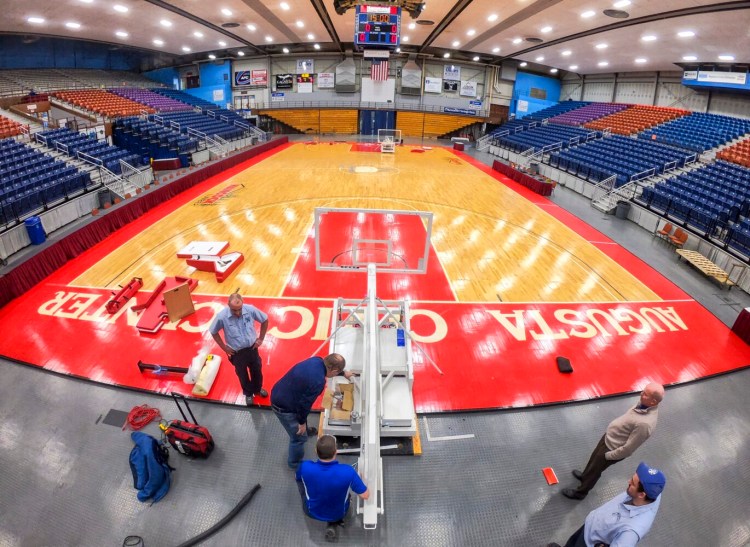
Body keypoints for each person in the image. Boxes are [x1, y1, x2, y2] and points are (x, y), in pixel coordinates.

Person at [563, 382, 664, 500]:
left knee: (596, 470)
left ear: (653, 402)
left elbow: (628, 449)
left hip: (612, 448)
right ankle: (585, 475)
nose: (641, 394)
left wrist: (609, 456)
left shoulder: (645, 424)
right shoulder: (643, 404)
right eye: (643, 391)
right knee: (593, 461)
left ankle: (581, 492)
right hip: (609, 439)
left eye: (645, 394)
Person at [548, 461, 665, 547]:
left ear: (641, 495)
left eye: (633, 483)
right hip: (590, 527)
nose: (629, 482)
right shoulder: (653, 494)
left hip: (588, 543)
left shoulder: (631, 532)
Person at [271, 353, 352, 469]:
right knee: (298, 437)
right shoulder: (318, 382)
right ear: (334, 371)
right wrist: (302, 423)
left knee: (302, 421)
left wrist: (344, 373)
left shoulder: (317, 360)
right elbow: (304, 405)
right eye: (337, 372)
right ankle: (295, 463)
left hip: (280, 391)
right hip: (284, 407)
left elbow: (329, 369)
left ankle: (306, 431)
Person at [296, 435, 369, 542]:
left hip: (310, 511)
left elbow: (298, 479)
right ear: (336, 452)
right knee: (346, 494)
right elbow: (365, 495)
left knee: (302, 484)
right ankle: (333, 523)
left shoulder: (305, 467)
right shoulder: (348, 472)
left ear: (316, 451)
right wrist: (360, 479)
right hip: (338, 514)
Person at [209, 293, 268, 406]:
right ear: (228, 305)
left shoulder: (250, 310)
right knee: (242, 374)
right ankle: (249, 394)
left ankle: (257, 389)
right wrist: (224, 347)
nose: (237, 313)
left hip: (252, 349)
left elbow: (265, 320)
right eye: (234, 310)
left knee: (257, 370)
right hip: (237, 353)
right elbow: (213, 331)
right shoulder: (222, 317)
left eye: (239, 309)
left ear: (243, 303)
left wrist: (260, 339)